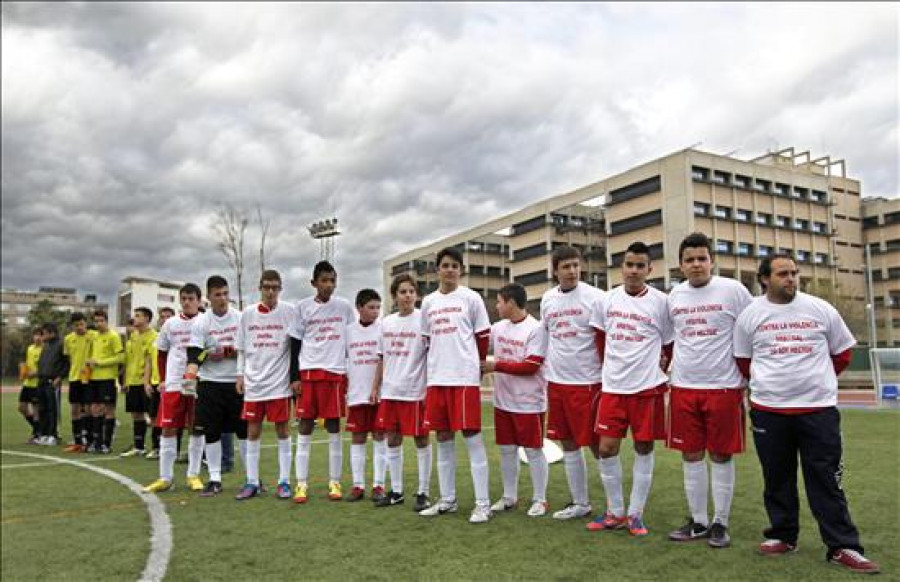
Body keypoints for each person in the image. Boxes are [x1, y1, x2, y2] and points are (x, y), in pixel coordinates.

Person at [733, 255, 880, 574]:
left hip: (818, 412)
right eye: (783, 274)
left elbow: (842, 353)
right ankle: (783, 535)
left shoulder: (820, 309)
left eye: (794, 273)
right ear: (764, 279)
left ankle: (843, 545)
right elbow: (744, 361)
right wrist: (771, 386)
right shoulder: (750, 315)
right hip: (769, 412)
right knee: (777, 478)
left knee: (827, 479)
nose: (791, 278)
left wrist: (817, 382)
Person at [666, 233, 752, 548]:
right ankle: (699, 520)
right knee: (690, 454)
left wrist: (749, 379)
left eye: (702, 258)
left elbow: (750, 333)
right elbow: (669, 339)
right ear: (681, 265)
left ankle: (720, 522)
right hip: (684, 387)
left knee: (720, 453)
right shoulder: (674, 296)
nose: (696, 264)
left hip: (724, 387)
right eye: (690, 260)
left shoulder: (734, 291)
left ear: (711, 261)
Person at [589, 241, 673, 537]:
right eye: (629, 264)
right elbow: (600, 340)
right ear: (621, 267)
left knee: (643, 446)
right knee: (606, 448)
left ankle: (636, 514)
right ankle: (614, 511)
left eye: (640, 266)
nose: (634, 271)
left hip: (646, 389)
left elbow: (669, 345)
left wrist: (656, 371)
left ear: (650, 269)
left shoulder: (662, 302)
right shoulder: (606, 301)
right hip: (613, 388)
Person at [418, 247, 493, 524]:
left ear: (461, 270)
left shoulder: (471, 298)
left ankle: (482, 503)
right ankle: (447, 499)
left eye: (454, 265)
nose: (449, 269)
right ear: (437, 269)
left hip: (463, 377)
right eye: (445, 265)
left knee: (472, 437)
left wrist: (477, 366)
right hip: (438, 378)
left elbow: (482, 336)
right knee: (444, 439)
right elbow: (426, 341)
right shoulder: (428, 302)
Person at [540, 245, 606, 520]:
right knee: (567, 442)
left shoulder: (596, 297)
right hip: (557, 382)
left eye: (576, 265)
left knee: (598, 445)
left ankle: (616, 504)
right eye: (566, 267)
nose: (572, 271)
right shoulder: (547, 299)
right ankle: (580, 502)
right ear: (555, 271)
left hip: (588, 382)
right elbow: (547, 337)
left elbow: (606, 339)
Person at [290, 260, 356, 503]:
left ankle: (334, 482)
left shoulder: (344, 307)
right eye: (324, 280)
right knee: (305, 425)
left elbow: (352, 340)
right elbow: (295, 343)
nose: (329, 285)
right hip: (308, 373)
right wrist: (294, 376)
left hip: (335, 373)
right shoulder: (302, 307)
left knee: (333, 426)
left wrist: (350, 371)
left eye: (332, 281)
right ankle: (301, 483)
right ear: (314, 283)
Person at [482, 283, 550, 517]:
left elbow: (531, 366)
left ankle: (540, 499)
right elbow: (479, 341)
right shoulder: (498, 328)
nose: (497, 306)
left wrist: (495, 365)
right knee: (507, 450)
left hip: (529, 402)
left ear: (511, 303)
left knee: (533, 451)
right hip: (503, 402)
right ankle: (509, 496)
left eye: (499, 302)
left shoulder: (536, 328)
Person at [233, 269, 296, 500]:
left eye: (275, 287)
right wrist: (240, 375)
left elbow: (297, 345)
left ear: (280, 289)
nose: (270, 291)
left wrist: (295, 376)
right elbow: (241, 348)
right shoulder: (247, 314)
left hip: (279, 384)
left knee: (282, 430)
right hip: (254, 383)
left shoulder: (289, 312)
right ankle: (251, 481)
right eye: (266, 287)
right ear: (260, 288)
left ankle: (284, 481)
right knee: (253, 431)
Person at [373, 275, 433, 511]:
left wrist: (429, 387)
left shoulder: (424, 320)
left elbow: (432, 354)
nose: (407, 295)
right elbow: (381, 358)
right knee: (393, 439)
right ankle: (396, 491)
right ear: (394, 296)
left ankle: (423, 492)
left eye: (411, 291)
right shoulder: (386, 323)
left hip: (416, 391)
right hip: (391, 392)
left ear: (416, 295)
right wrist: (376, 387)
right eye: (402, 292)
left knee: (421, 439)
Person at [185, 275, 246, 497]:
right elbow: (194, 352)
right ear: (209, 297)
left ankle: (251, 479)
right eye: (218, 295)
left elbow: (249, 349)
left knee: (244, 431)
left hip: (236, 382)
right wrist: (193, 370)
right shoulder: (202, 321)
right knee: (211, 432)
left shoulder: (240, 318)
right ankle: (215, 479)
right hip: (210, 383)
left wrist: (227, 351)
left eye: (225, 294)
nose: (223, 299)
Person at [143, 284, 205, 493]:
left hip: (197, 383)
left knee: (196, 428)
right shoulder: (170, 323)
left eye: (191, 298)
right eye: (184, 298)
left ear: (199, 300)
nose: (187, 302)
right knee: (168, 428)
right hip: (173, 384)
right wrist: (162, 379)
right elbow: (161, 353)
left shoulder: (205, 322)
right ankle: (165, 478)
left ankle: (193, 475)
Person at [344, 288, 387, 503]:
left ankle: (379, 485)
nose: (376, 311)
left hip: (379, 395)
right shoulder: (349, 331)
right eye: (371, 307)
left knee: (380, 437)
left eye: (378, 307)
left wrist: (377, 388)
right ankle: (358, 485)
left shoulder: (384, 329)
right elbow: (344, 360)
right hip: (356, 394)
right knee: (358, 438)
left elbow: (385, 360)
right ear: (359, 308)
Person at [121, 308, 157, 457]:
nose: (134, 318)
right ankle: (139, 446)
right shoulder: (133, 337)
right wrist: (125, 381)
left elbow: (150, 361)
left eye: (137, 316)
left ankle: (157, 447)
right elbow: (129, 361)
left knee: (153, 415)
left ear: (147, 318)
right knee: (136, 414)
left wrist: (146, 382)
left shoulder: (154, 336)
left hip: (146, 382)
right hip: (132, 381)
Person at [86, 310, 123, 453]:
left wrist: (100, 362)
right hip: (93, 378)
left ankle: (107, 444)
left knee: (108, 410)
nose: (99, 324)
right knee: (95, 409)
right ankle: (97, 442)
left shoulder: (113, 336)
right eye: (96, 321)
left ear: (107, 321)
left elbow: (120, 357)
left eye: (101, 321)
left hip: (107, 378)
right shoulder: (94, 336)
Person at [62, 313, 96, 452]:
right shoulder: (68, 339)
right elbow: (70, 358)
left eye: (82, 324)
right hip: (74, 378)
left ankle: (89, 441)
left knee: (88, 409)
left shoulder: (93, 335)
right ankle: (77, 442)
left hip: (89, 378)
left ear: (86, 323)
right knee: (74, 410)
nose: (79, 327)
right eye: (76, 325)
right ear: (72, 326)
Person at [146, 307, 176, 459]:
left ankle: (173, 449)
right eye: (162, 317)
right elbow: (150, 362)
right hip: (156, 383)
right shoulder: (156, 340)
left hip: (171, 384)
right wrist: (147, 382)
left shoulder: (177, 338)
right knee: (153, 417)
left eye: (168, 316)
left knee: (173, 419)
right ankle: (156, 447)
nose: (165, 319)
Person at [36, 322, 67, 445]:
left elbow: (66, 363)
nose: (42, 336)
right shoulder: (46, 345)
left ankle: (53, 434)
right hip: (42, 380)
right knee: (42, 408)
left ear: (51, 333)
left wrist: (60, 377)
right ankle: (44, 434)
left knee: (52, 409)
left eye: (44, 333)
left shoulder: (61, 344)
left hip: (53, 381)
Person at [19, 328, 43, 444]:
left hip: (37, 384)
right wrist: (24, 369)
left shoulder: (44, 349)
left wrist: (34, 373)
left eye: (40, 335)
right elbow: (29, 364)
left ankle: (36, 434)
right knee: (22, 408)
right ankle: (39, 429)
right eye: (35, 335)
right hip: (27, 383)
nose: (37, 337)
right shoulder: (30, 348)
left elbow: (45, 367)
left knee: (36, 410)